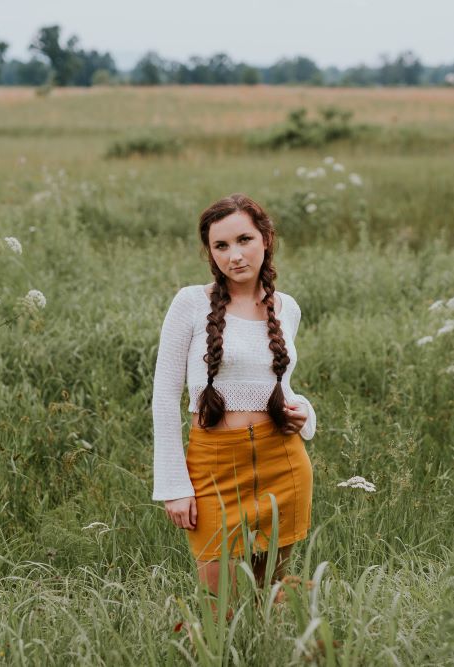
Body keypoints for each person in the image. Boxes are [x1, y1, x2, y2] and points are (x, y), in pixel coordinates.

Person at [151, 193, 317, 599]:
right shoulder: (191, 303)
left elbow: (280, 384)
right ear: (210, 252)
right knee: (219, 602)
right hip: (213, 465)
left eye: (244, 240)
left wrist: (304, 414)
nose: (235, 255)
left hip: (283, 461)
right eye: (221, 246)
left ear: (266, 239)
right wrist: (174, 485)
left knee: (271, 594)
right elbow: (164, 397)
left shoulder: (287, 307)